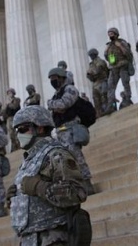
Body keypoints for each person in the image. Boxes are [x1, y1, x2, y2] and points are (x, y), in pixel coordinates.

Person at [9, 105, 89, 246]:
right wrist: (15, 198)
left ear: (40, 128)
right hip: (30, 238)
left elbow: (77, 193)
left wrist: (38, 186)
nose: (19, 134)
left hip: (52, 237)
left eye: (23, 129)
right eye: (17, 131)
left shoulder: (55, 154)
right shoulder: (29, 160)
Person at [47, 67, 95, 195]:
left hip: (70, 129)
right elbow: (57, 108)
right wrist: (55, 106)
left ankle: (87, 182)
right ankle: (76, 184)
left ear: (61, 77)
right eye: (51, 79)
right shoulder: (56, 94)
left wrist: (51, 104)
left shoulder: (70, 89)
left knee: (76, 156)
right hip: (60, 131)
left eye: (54, 78)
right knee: (65, 160)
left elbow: (63, 104)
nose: (52, 81)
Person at [104, 27, 133, 113]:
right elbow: (107, 57)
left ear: (116, 34)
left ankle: (127, 99)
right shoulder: (109, 45)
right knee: (110, 86)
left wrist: (120, 46)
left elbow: (128, 53)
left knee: (125, 83)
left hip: (122, 66)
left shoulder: (122, 42)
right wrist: (106, 51)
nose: (110, 36)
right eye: (109, 34)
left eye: (112, 34)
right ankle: (111, 105)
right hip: (113, 68)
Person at [86, 48, 110, 117]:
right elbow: (88, 74)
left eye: (91, 55)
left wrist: (91, 74)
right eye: (90, 55)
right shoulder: (91, 64)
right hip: (95, 83)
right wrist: (90, 75)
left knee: (104, 98)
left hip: (102, 81)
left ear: (95, 54)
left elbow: (97, 71)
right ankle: (99, 114)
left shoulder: (100, 61)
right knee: (96, 100)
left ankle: (106, 111)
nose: (91, 57)